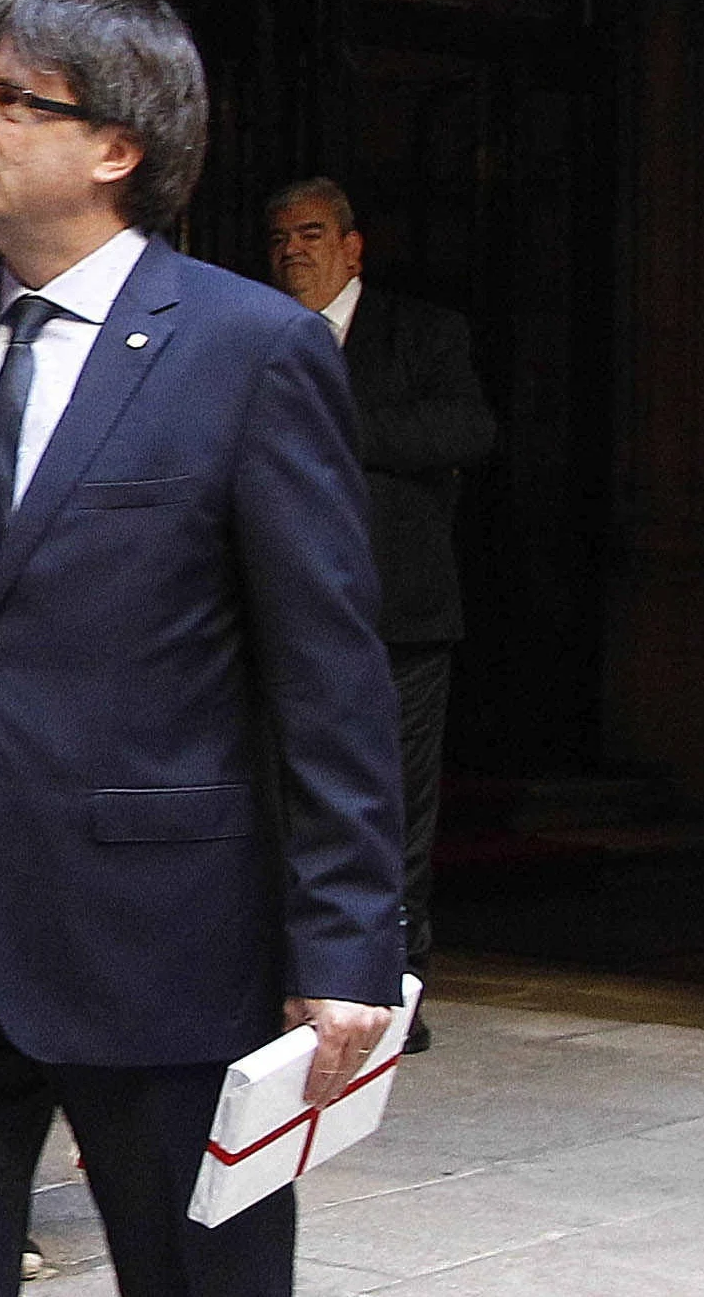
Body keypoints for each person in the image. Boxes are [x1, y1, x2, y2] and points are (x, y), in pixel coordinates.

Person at [0, 0, 404, 1296]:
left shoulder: (251, 352)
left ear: (116, 148)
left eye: (13, 99)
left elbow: (329, 675)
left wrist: (346, 945)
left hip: (165, 941)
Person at [266, 177, 493, 1053]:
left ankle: (395, 992)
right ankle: (294, 981)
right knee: (292, 805)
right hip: (284, 620)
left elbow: (464, 431)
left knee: (396, 813)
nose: (294, 250)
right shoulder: (260, 335)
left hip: (399, 619)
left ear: (352, 247)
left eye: (312, 233)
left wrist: (330, 428)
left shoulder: (422, 334)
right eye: (280, 237)